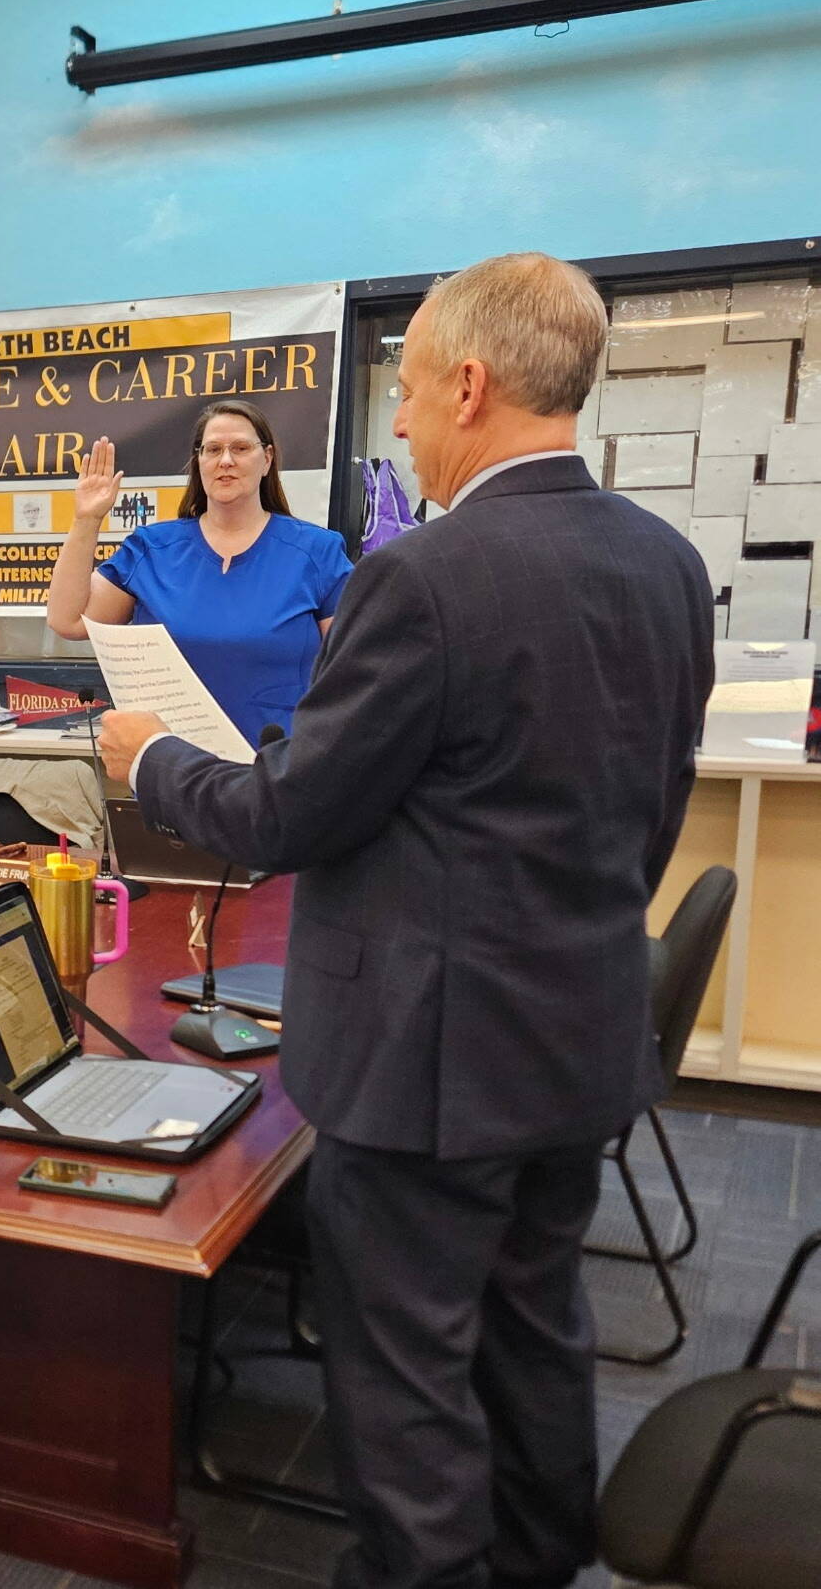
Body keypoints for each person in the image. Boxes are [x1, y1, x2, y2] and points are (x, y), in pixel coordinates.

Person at [99, 253, 715, 1589]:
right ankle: (539, 1552)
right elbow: (642, 812)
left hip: (424, 1061)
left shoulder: (423, 578)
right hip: (576, 1033)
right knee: (529, 1315)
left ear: (470, 383)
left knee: (403, 1359)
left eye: (413, 390)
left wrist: (145, 758)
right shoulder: (665, 564)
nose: (399, 424)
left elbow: (285, 817)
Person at [46, 400, 351, 744]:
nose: (225, 460)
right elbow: (68, 620)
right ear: (199, 461)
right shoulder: (152, 549)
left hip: (276, 775)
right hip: (170, 771)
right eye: (213, 449)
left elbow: (352, 670)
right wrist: (86, 519)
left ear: (266, 459)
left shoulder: (316, 552)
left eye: (240, 448)